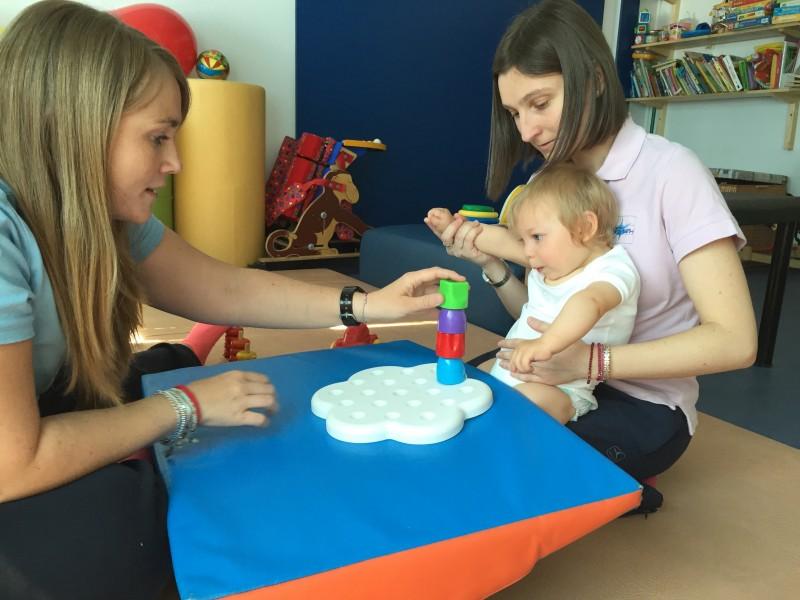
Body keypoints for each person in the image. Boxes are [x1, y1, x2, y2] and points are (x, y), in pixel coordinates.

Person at [0, 2, 463, 598]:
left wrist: (367, 305)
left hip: (28, 416)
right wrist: (184, 406)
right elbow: (13, 462)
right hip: (12, 460)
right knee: (121, 522)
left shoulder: (99, 215)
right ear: (74, 128)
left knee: (152, 370)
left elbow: (221, 287)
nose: (174, 163)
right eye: (158, 137)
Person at [424, 0, 757, 510]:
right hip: (561, 376)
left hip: (643, 403)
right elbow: (543, 314)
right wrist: (493, 266)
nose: (526, 131)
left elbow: (735, 341)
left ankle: (620, 489)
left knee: (500, 457)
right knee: (455, 419)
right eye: (514, 113)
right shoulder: (549, 179)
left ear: (595, 80)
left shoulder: (672, 172)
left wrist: (592, 362)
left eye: (540, 104)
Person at [427, 164, 640, 424]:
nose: (527, 252)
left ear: (585, 227)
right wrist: (453, 227)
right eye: (523, 240)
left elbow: (589, 302)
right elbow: (499, 241)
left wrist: (545, 344)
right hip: (510, 367)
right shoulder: (552, 264)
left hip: (560, 388)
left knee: (523, 405)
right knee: (469, 379)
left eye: (537, 237)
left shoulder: (613, 269)